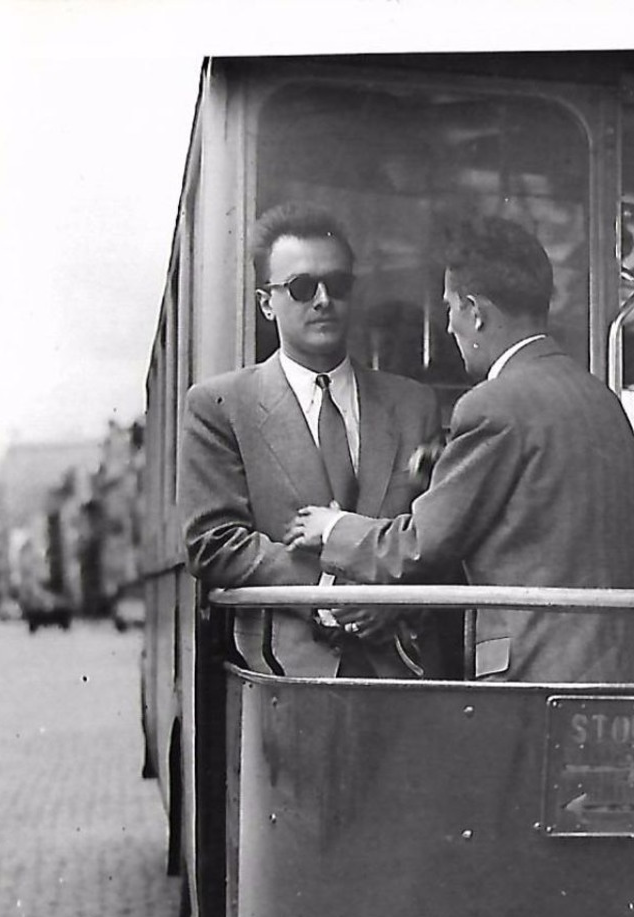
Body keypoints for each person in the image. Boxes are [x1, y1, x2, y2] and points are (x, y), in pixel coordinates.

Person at [286, 214, 634, 683]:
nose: (448, 326)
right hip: (622, 670)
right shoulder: (601, 400)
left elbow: (420, 545)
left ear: (475, 312)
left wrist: (332, 527)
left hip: (535, 675)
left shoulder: (492, 405)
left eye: (450, 308)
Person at [179, 201, 442, 679]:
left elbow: (438, 532)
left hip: (401, 670)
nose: (323, 300)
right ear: (266, 303)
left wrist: (389, 597)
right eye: (302, 288)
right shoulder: (221, 407)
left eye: (338, 285)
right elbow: (212, 542)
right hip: (281, 673)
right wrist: (329, 588)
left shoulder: (412, 405)